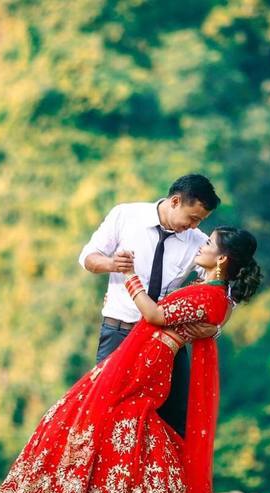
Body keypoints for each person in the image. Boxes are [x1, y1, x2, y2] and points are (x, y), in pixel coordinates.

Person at [0, 226, 262, 493]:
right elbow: (219, 308)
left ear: (222, 259)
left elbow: (155, 315)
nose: (202, 245)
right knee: (98, 409)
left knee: (119, 415)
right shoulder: (212, 291)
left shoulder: (211, 295)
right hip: (141, 351)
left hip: (150, 361)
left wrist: (130, 275)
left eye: (209, 242)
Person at [78, 174, 221, 438]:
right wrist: (112, 264)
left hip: (166, 341)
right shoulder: (125, 215)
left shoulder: (198, 242)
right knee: (107, 416)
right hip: (120, 332)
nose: (193, 226)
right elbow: (88, 257)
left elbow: (219, 288)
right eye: (192, 218)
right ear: (175, 201)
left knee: (174, 422)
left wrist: (215, 327)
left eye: (199, 221)